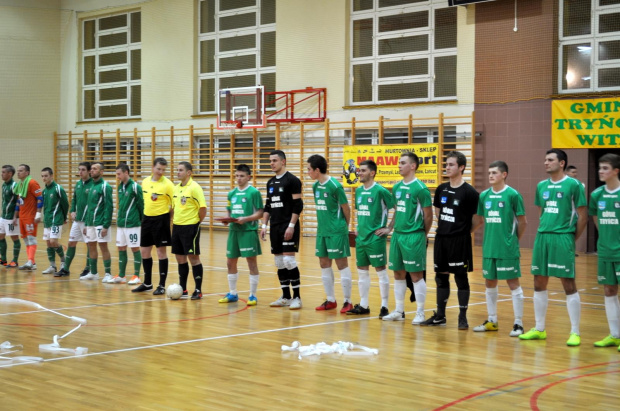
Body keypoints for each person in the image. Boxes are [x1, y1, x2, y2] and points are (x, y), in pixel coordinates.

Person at [519, 149, 587, 346]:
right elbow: (542, 212)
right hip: (543, 238)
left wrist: (570, 237)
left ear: (562, 163)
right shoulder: (541, 186)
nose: (546, 163)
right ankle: (539, 329)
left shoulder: (574, 185)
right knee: (539, 282)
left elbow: (582, 215)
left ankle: (575, 331)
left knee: (568, 284)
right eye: (545, 160)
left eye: (550, 160)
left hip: (563, 237)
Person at [421, 151, 479, 329]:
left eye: (451, 164)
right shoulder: (441, 189)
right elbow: (438, 212)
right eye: (446, 164)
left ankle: (463, 316)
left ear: (461, 167)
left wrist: (462, 231)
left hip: (459, 240)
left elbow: (478, 219)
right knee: (441, 277)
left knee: (460, 278)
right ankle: (440, 315)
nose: (447, 167)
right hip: (441, 239)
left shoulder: (470, 192)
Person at [471, 161, 527, 337]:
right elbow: (479, 220)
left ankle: (518, 323)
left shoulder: (513, 195)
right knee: (489, 282)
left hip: (507, 249)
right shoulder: (484, 196)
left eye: (494, 172)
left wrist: (512, 241)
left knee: (512, 283)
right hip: (489, 248)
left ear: (504, 175)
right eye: (489, 173)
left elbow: (523, 222)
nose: (490, 176)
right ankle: (492, 320)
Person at [380, 153, 432, 323]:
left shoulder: (420, 188)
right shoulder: (396, 188)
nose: (399, 166)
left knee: (416, 276)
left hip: (414, 236)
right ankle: (399, 311)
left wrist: (422, 235)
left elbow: (428, 216)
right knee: (398, 274)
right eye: (399, 163)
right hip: (397, 236)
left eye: (402, 163)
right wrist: (390, 227)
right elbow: (397, 210)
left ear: (413, 166)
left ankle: (420, 312)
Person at [346, 160, 394, 317]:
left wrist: (389, 228)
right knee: (362, 272)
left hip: (375, 238)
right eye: (359, 170)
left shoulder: (381, 191)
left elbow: (399, 208)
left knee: (380, 271)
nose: (359, 173)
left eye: (363, 170)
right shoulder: (359, 191)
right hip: (361, 239)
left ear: (372, 173)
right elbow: (361, 212)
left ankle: (384, 306)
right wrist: (358, 229)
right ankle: (364, 305)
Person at [307, 154, 353, 313]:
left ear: (317, 170)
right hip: (322, 231)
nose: (308, 173)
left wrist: (343, 228)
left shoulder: (335, 186)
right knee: (324, 264)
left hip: (336, 232)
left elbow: (346, 209)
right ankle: (331, 300)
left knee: (342, 265)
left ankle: (348, 301)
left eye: (309, 169)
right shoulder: (315, 186)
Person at [260, 150, 304, 310]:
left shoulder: (293, 181)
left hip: (288, 226)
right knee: (279, 262)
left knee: (289, 261)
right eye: (270, 160)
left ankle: (297, 297)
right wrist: (264, 226)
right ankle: (285, 296)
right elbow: (268, 207)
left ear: (283, 162)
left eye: (274, 160)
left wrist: (291, 226)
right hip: (275, 227)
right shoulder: (270, 183)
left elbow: (298, 206)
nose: (271, 163)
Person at [219, 164, 264, 306]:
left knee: (251, 262)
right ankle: (232, 293)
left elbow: (260, 213)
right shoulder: (231, 193)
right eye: (237, 175)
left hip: (248, 231)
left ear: (248, 177)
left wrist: (246, 219)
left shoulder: (254, 192)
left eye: (242, 176)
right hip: (234, 232)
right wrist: (227, 219)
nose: (238, 178)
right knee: (230, 261)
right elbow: (229, 210)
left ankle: (253, 295)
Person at [589, 154, 620, 349]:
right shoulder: (596, 195)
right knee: (609, 291)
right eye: (600, 168)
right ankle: (614, 334)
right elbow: (596, 218)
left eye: (605, 168)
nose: (601, 171)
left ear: (616, 171)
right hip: (606, 251)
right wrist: (607, 239)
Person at [132, 157, 174, 294]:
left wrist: (168, 220)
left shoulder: (168, 185)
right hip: (147, 220)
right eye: (158, 169)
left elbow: (173, 205)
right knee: (144, 252)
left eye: (163, 169)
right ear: (152, 167)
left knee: (161, 252)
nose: (161, 172)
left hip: (161, 220)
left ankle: (161, 285)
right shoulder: (144, 182)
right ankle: (147, 283)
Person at [171, 161, 207, 300]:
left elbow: (202, 209)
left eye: (180, 170)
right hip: (177, 227)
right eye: (177, 170)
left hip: (190, 227)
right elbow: (174, 208)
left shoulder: (195, 188)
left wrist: (195, 223)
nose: (178, 172)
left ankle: (198, 289)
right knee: (180, 258)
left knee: (193, 258)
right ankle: (182, 289)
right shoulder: (176, 188)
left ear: (188, 172)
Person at [54, 162, 92, 277]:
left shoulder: (92, 185)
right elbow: (74, 199)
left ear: (89, 171)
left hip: (87, 221)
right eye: (79, 170)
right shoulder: (78, 184)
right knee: (71, 243)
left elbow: (92, 204)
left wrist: (89, 221)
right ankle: (65, 269)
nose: (80, 172)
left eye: (83, 170)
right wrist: (72, 211)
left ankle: (88, 268)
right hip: (77, 220)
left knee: (90, 245)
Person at [108, 163, 144, 284]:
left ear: (126, 173)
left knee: (134, 248)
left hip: (133, 223)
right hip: (121, 223)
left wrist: (140, 220)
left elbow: (140, 205)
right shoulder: (120, 187)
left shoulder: (135, 187)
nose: (117, 176)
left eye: (119, 174)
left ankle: (136, 276)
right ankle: (121, 275)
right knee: (121, 247)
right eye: (116, 174)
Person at [81, 162, 113, 281]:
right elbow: (89, 207)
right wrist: (86, 223)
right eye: (92, 169)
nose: (92, 171)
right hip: (90, 223)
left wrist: (106, 225)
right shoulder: (91, 186)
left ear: (101, 172)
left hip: (100, 223)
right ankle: (93, 273)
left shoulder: (105, 186)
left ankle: (108, 273)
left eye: (95, 169)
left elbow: (109, 207)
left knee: (103, 246)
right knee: (91, 246)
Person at [40, 168, 69, 275]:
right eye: (42, 176)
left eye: (46, 176)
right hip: (47, 220)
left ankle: (63, 261)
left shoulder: (58, 189)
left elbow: (65, 204)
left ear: (51, 176)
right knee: (48, 243)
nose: (44, 178)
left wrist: (64, 217)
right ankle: (52, 266)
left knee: (53, 241)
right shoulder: (44, 191)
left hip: (56, 219)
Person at [15, 164, 43, 271]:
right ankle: (32, 262)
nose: (18, 172)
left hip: (30, 216)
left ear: (27, 173)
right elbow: (19, 200)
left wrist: (38, 214)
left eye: (21, 171)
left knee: (31, 239)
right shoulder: (20, 184)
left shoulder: (32, 183)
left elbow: (40, 199)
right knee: (26, 240)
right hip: (22, 216)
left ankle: (30, 261)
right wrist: (16, 216)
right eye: (18, 171)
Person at [0, 165, 21, 268]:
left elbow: (19, 200)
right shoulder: (4, 185)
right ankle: (3, 259)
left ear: (10, 174)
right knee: (0, 236)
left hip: (11, 218)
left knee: (14, 238)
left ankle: (15, 261)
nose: (1, 174)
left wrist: (15, 216)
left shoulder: (14, 185)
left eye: (3, 172)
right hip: (3, 217)